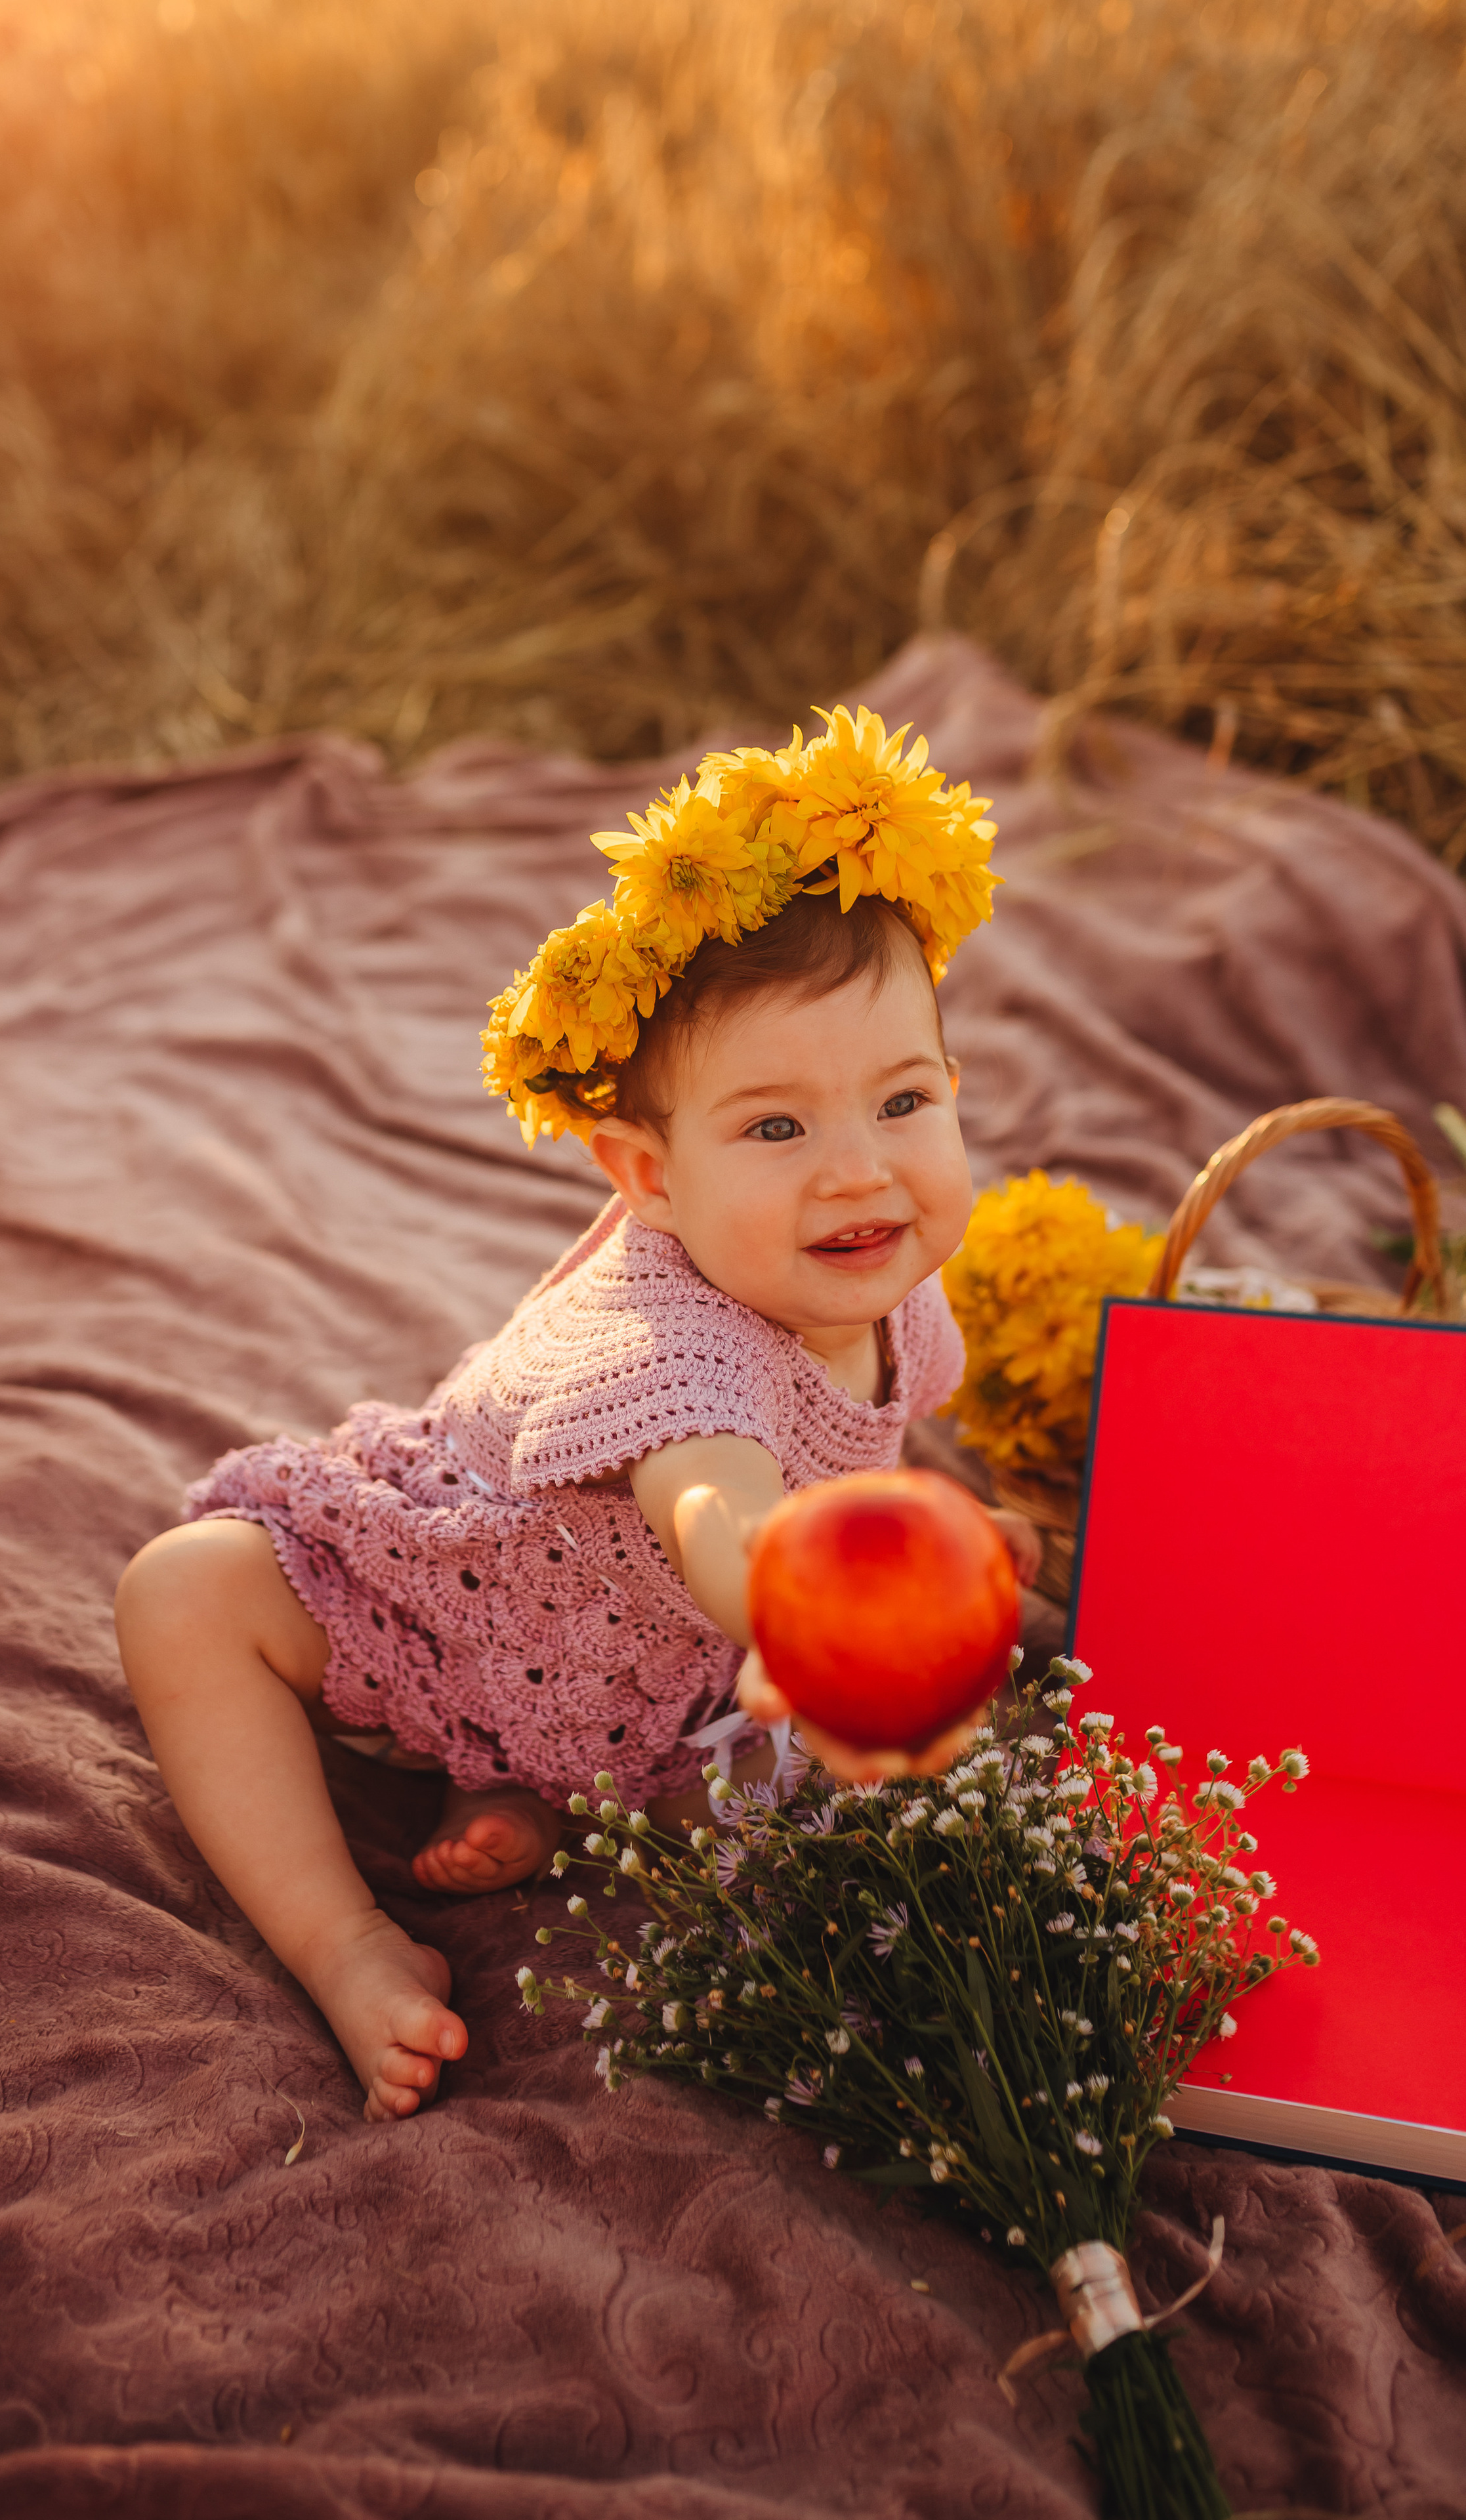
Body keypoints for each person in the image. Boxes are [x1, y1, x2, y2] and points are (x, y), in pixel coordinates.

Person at [115, 707, 1040, 2122]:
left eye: (902, 1100)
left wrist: (918, 1554)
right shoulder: (670, 1345)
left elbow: (848, 1449)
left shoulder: (888, 1283)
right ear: (645, 1178)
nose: (860, 1172)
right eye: (775, 1129)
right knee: (183, 1593)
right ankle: (348, 1944)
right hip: (463, 1598)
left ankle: (531, 1797)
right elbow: (716, 1508)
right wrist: (817, 1621)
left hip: (648, 1676)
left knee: (790, 1839)